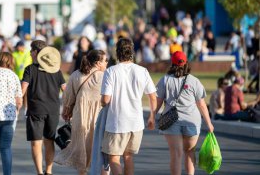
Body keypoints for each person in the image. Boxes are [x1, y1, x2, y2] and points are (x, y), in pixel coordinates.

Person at [100, 38, 157, 175]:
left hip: (117, 123)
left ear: (117, 52)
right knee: (128, 157)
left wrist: (102, 103)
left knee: (114, 158)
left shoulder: (111, 71)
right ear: (132, 52)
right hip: (136, 122)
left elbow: (105, 99)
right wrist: (152, 117)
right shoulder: (142, 71)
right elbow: (153, 96)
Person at [155, 51, 214, 175]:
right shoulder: (194, 81)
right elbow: (202, 105)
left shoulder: (165, 80)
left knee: (176, 154)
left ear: (172, 63)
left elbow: (158, 102)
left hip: (171, 122)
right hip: (191, 122)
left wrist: (151, 117)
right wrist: (209, 123)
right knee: (190, 151)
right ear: (186, 62)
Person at [55, 50, 108, 175]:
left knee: (82, 152)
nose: (107, 63)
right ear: (98, 63)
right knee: (101, 150)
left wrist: (66, 111)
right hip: (99, 118)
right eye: (105, 60)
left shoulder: (76, 75)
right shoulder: (106, 77)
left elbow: (67, 96)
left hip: (80, 117)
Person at [21, 41, 66, 175]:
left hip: (36, 110)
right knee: (49, 140)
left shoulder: (30, 69)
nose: (29, 53)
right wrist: (69, 108)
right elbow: (65, 90)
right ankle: (49, 171)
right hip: (53, 110)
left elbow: (22, 89)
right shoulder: (56, 70)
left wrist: (16, 102)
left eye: (31, 50)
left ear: (36, 52)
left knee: (36, 142)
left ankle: (40, 172)